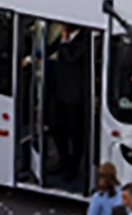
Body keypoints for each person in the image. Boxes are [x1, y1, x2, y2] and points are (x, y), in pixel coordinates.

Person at [49, 23, 88, 184]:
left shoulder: (85, 38)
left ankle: (73, 166)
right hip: (59, 88)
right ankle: (63, 158)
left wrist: (64, 41)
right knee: (54, 124)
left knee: (75, 132)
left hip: (75, 94)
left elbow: (72, 57)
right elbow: (51, 48)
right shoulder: (64, 35)